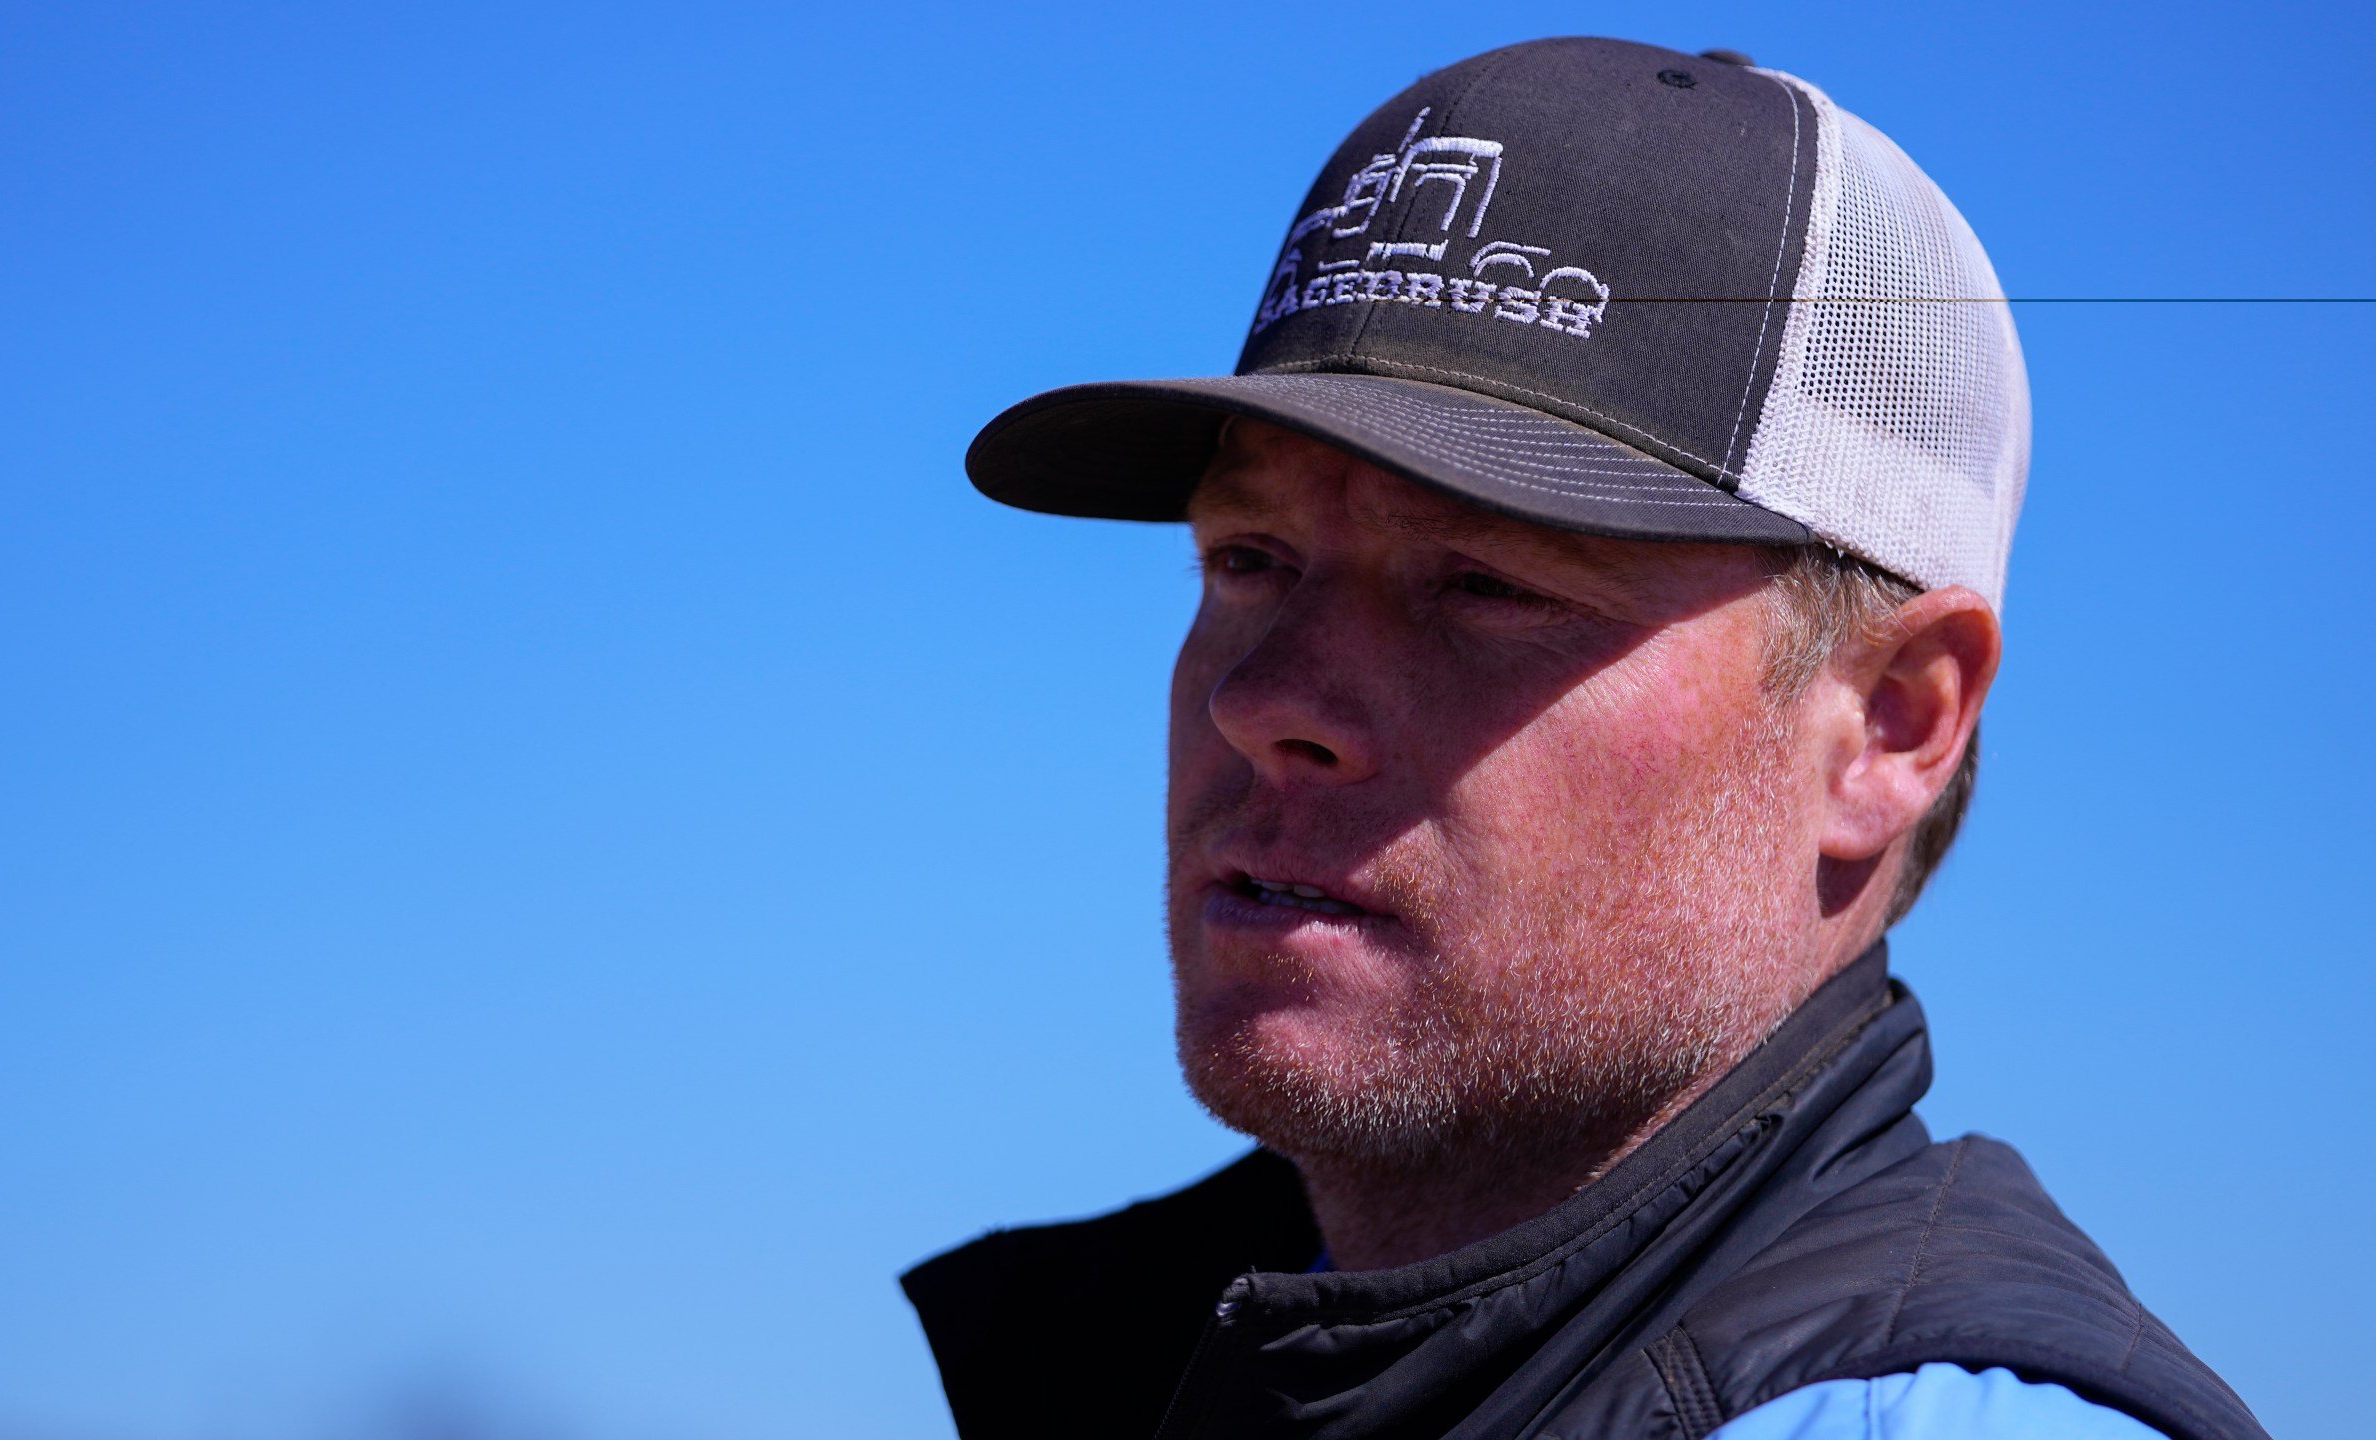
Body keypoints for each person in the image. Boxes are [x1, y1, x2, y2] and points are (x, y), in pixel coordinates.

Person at [902, 37, 2268, 1440]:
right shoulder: (1151, 1368)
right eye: (1250, 557)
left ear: (1888, 723)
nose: (1269, 702)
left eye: (1486, 585)